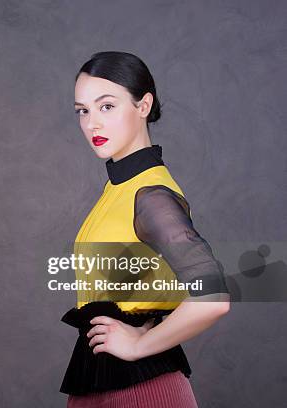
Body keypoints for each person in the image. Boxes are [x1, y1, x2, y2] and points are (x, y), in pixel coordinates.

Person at [60, 51, 231, 408]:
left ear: (143, 105)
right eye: (83, 110)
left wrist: (138, 344)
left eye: (106, 106)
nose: (92, 124)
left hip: (143, 391)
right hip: (97, 383)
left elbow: (212, 297)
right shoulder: (120, 188)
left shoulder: (150, 194)